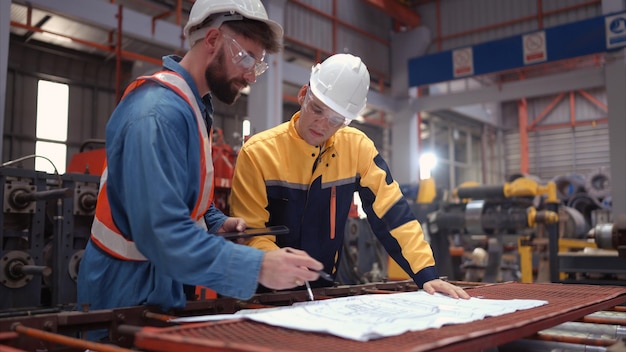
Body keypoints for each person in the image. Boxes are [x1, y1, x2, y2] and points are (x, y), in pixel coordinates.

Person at [77, 0, 323, 337]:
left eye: (259, 65)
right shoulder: (157, 114)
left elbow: (176, 190)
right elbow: (160, 233)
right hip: (122, 295)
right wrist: (258, 266)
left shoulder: (193, 105)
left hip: (156, 288)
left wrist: (214, 221)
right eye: (247, 58)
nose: (251, 75)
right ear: (212, 40)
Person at [229, 53, 469, 299]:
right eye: (317, 109)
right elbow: (251, 232)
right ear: (303, 95)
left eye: (335, 120)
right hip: (263, 294)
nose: (322, 124)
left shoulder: (356, 148)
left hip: (322, 294)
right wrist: (276, 261)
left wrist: (427, 275)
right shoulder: (258, 153)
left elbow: (394, 215)